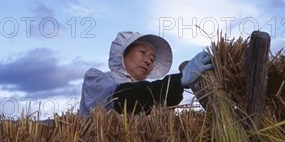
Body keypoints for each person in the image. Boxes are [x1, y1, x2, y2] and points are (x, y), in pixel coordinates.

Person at [79, 31, 213, 116]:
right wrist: (178, 80)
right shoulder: (96, 78)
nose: (149, 61)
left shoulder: (148, 91)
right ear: (122, 53)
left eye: (152, 58)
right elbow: (124, 99)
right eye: (143, 52)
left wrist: (178, 87)